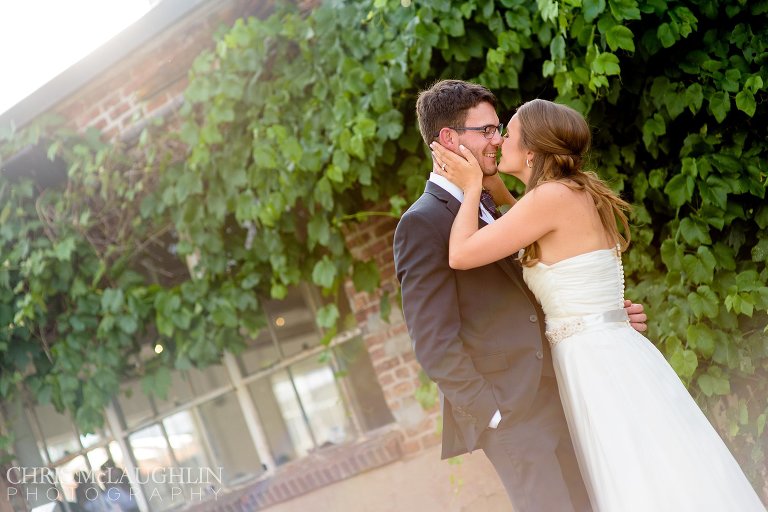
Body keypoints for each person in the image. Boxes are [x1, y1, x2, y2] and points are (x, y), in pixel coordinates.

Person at [430, 97, 766, 511]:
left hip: (593, 364)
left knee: (633, 475)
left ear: (532, 151)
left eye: (508, 133)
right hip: (612, 350)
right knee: (655, 465)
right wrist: (498, 191)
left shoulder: (548, 199)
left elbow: (461, 254)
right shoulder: (576, 191)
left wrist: (472, 188)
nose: (498, 141)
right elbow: (545, 243)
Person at [393, 80, 647, 512]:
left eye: (500, 130)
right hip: (509, 410)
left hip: (561, 388)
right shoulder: (423, 222)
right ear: (449, 140)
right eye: (487, 130)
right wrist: (490, 413)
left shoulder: (496, 203)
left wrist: (600, 315)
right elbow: (433, 341)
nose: (497, 140)